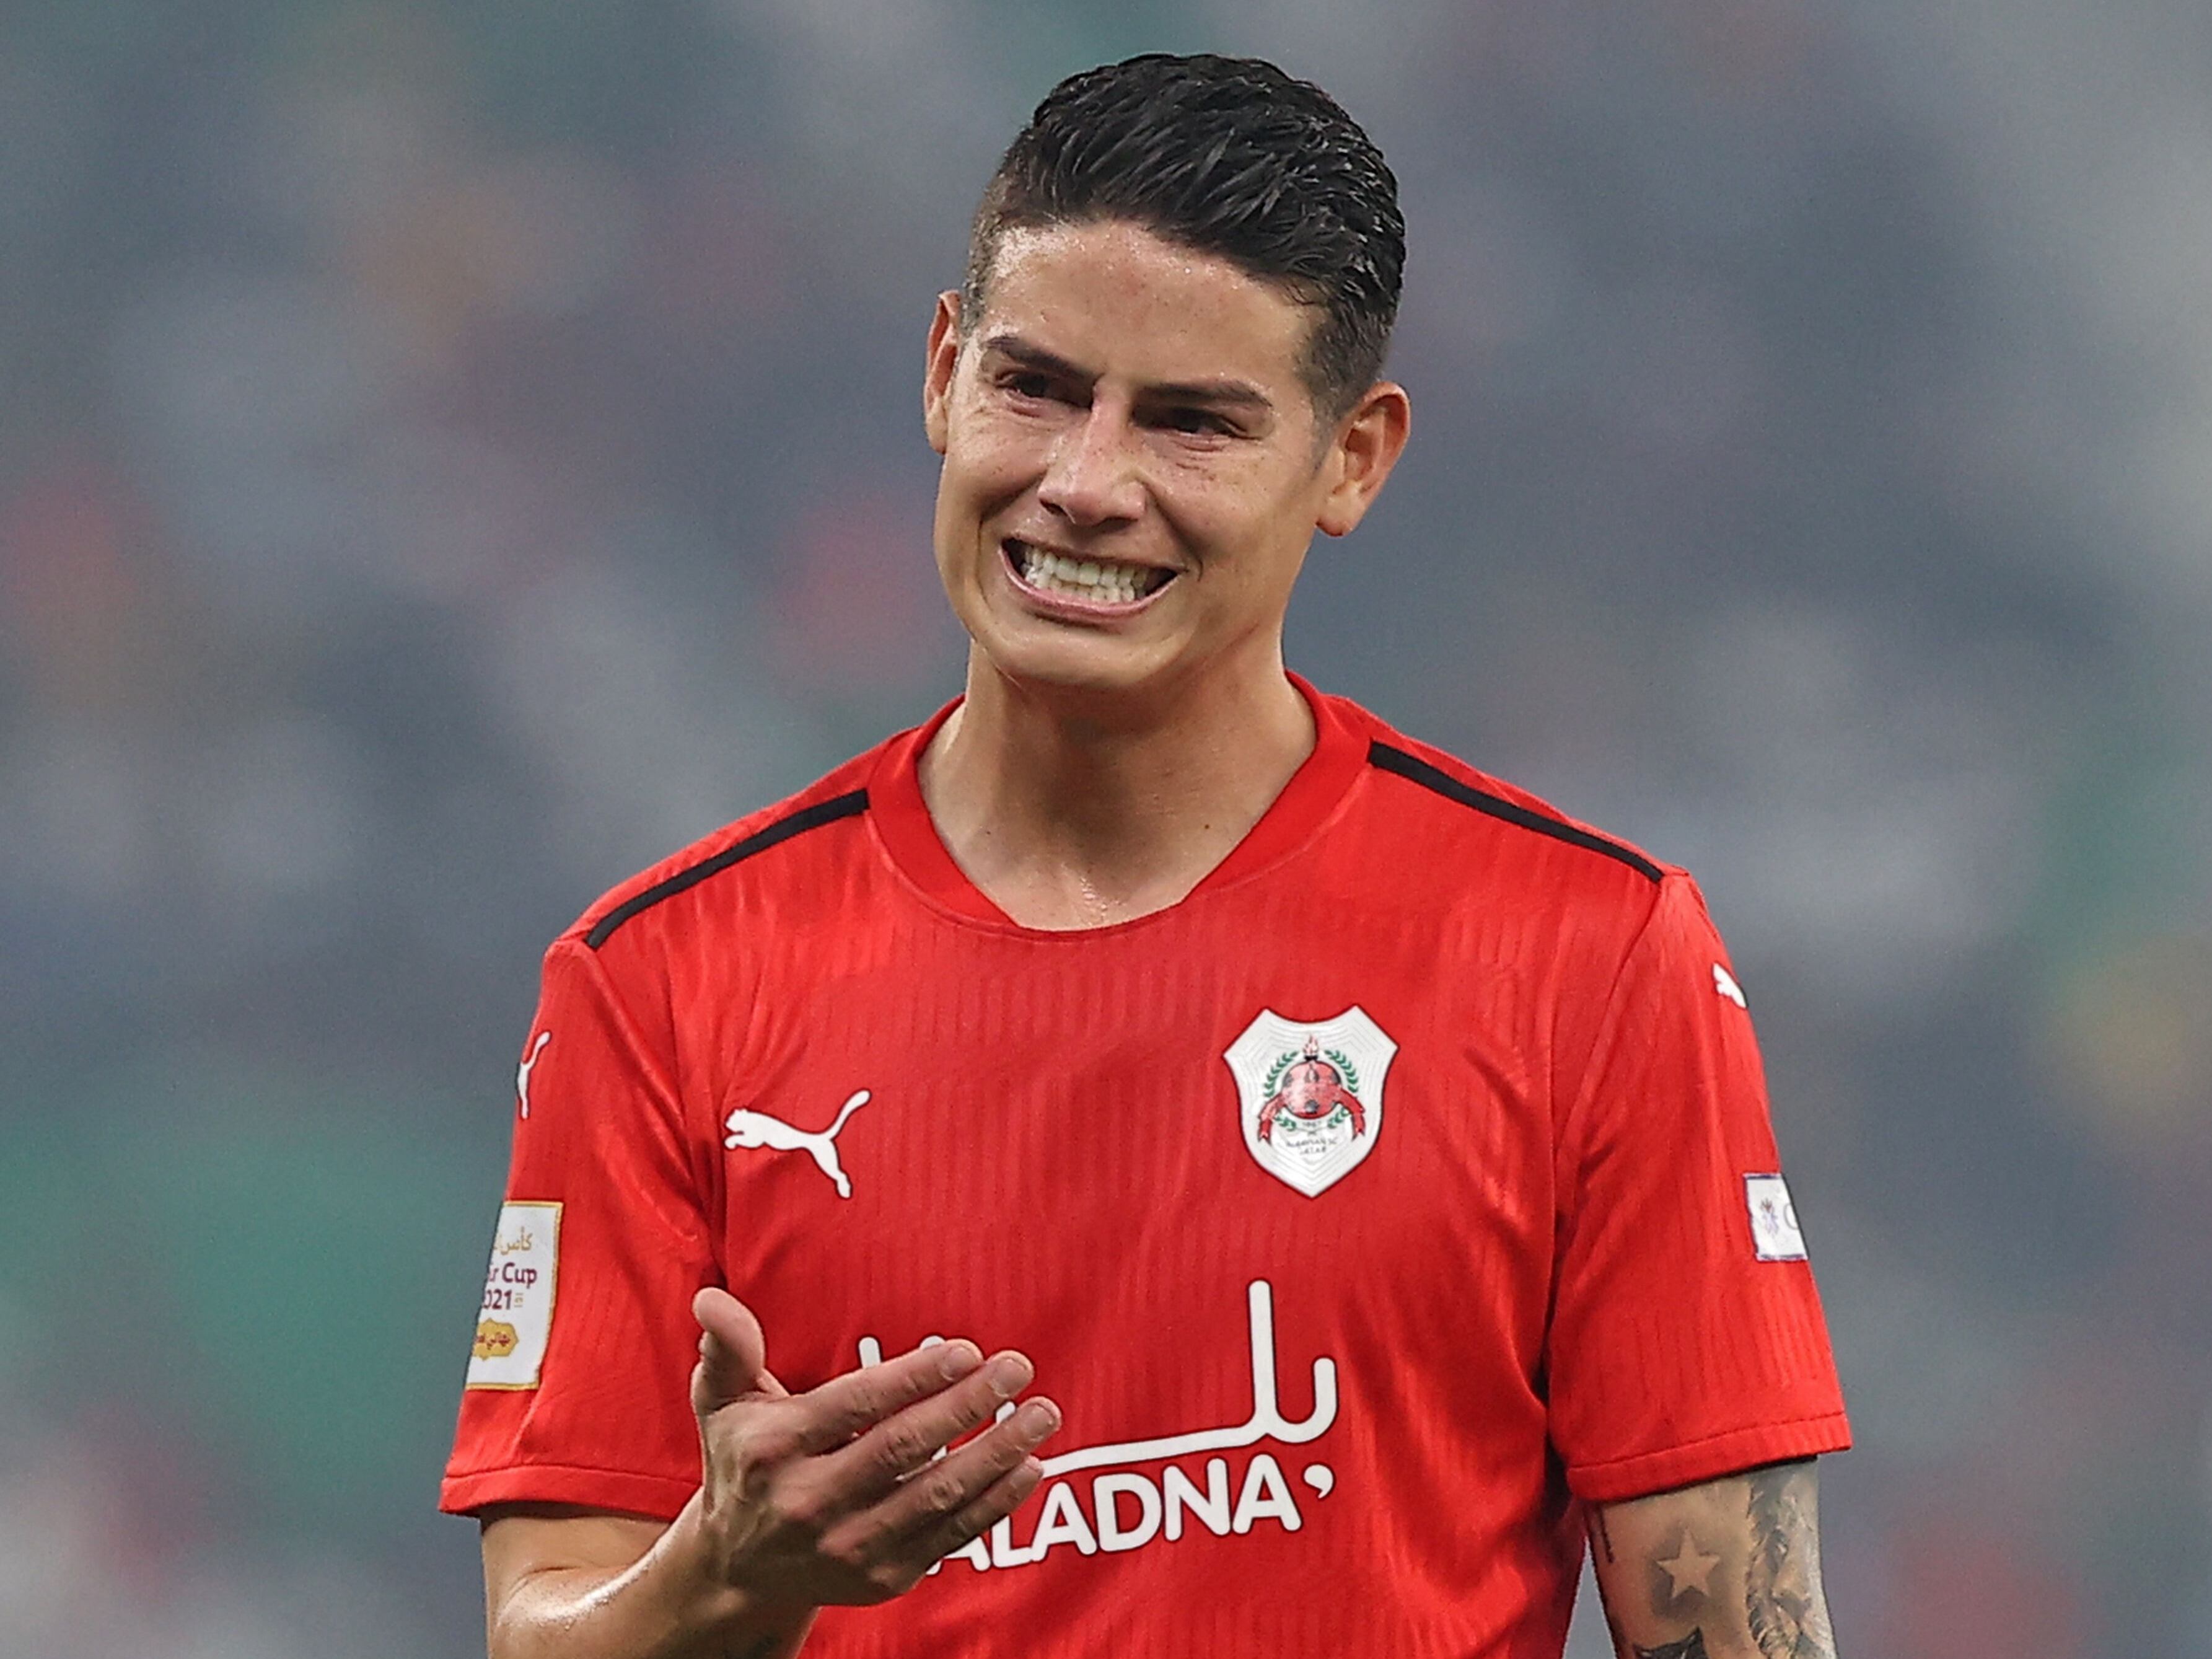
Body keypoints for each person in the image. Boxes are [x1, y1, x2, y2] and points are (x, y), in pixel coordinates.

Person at [442, 53, 1849, 1659]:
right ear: (938, 374)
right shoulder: (656, 984)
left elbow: (1732, 1631)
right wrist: (728, 1581)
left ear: (1353, 461)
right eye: (1035, 388)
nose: (1087, 483)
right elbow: (544, 1626)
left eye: (1190, 423)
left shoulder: (1586, 952)